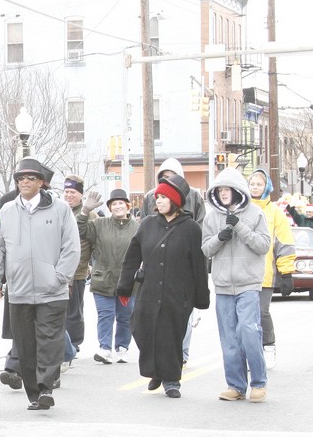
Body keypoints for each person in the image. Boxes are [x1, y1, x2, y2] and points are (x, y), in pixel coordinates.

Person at [0, 157, 80, 410]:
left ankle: (47, 387)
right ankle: (34, 394)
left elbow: (72, 247)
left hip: (53, 291)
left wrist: (59, 277)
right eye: (20, 179)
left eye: (30, 178)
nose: (24, 182)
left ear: (41, 182)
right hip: (19, 290)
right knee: (25, 345)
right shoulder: (7, 211)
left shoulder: (60, 209)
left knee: (50, 341)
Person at [117, 174, 210, 398]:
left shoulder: (190, 229)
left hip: (177, 293)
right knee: (143, 330)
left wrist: (200, 297)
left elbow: (199, 265)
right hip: (148, 290)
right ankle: (154, 372)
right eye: (157, 197)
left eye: (163, 198)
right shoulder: (148, 224)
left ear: (175, 201)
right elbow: (132, 256)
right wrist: (125, 286)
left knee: (170, 335)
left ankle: (171, 379)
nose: (158, 201)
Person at [202, 168, 271, 403]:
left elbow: (263, 245)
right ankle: (236, 385)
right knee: (229, 338)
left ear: (236, 191)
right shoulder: (211, 217)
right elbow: (206, 249)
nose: (223, 194)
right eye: (219, 190)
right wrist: (220, 237)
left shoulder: (255, 213)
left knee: (249, 332)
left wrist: (239, 226)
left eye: (226, 189)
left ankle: (259, 383)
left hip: (248, 284)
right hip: (222, 286)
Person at [78, 188, 138, 364]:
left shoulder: (137, 227)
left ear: (128, 207)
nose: (117, 207)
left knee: (125, 316)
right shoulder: (100, 224)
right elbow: (80, 230)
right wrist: (85, 211)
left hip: (128, 280)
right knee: (106, 315)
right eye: (114, 204)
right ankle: (105, 348)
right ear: (110, 208)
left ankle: (122, 347)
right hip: (102, 277)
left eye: (121, 203)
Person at [247, 170, 296, 370]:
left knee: (261, 312)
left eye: (259, 184)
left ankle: (268, 347)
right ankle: (252, 353)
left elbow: (284, 243)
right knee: (246, 317)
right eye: (252, 184)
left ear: (267, 187)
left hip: (265, 274)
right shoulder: (242, 208)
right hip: (244, 273)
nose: (255, 187)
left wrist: (286, 272)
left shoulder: (275, 213)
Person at [62, 175, 93, 354]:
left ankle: (74, 343)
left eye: (72, 192)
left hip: (79, 271)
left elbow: (94, 242)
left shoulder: (90, 213)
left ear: (80, 194)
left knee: (74, 312)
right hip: (59, 271)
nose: (68, 196)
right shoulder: (58, 210)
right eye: (66, 192)